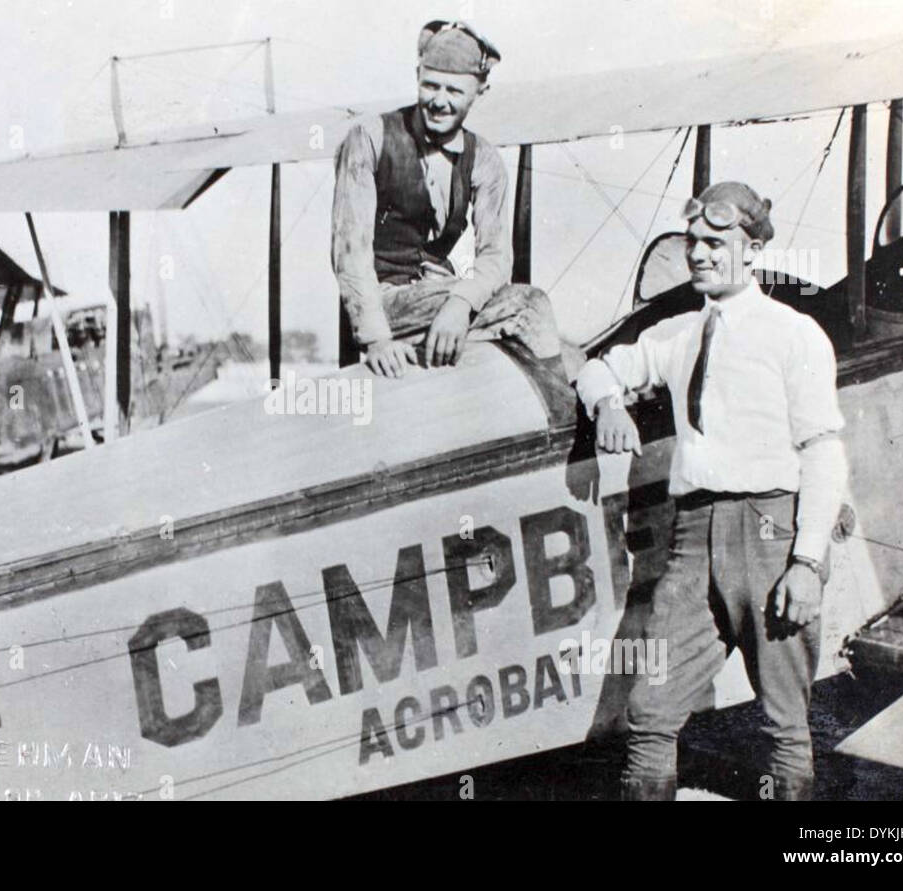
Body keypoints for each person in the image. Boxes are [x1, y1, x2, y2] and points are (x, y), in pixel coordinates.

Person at [574, 181, 849, 801]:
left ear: (750, 249)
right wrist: (609, 404)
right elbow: (595, 366)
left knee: (784, 719)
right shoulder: (677, 336)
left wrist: (806, 563)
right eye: (693, 241)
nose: (699, 253)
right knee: (650, 708)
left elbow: (824, 451)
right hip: (691, 538)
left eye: (715, 241)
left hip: (770, 533)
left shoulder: (794, 334)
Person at [330, 19, 571, 417]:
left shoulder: (485, 159)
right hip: (382, 300)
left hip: (439, 294)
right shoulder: (370, 137)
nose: (439, 101)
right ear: (417, 77)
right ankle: (564, 424)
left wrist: (460, 303)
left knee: (547, 333)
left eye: (454, 90)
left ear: (480, 92)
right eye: (430, 85)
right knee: (529, 307)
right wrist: (374, 338)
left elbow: (496, 257)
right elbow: (349, 249)